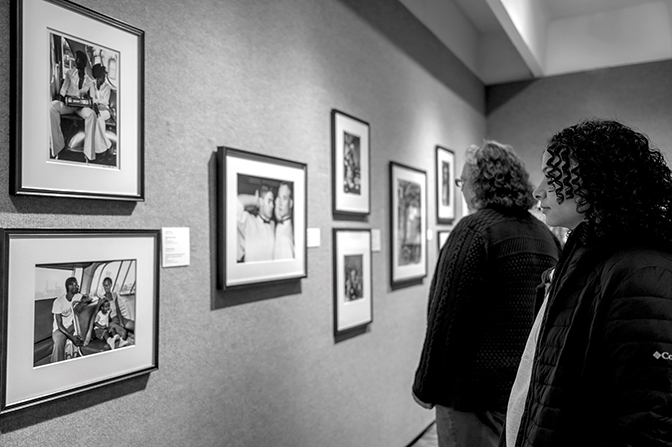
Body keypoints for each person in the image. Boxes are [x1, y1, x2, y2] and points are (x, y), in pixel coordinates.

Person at [504, 119, 672, 447]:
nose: (538, 191)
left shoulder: (641, 273)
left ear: (595, 182)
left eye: (552, 178)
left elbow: (648, 419)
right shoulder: (586, 256)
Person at [412, 140, 561, 447]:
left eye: (462, 181)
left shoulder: (474, 231)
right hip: (522, 393)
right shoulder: (544, 234)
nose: (461, 189)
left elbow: (446, 318)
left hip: (470, 398)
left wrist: (424, 386)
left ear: (480, 184)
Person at [49, 50, 109, 161]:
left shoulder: (89, 81)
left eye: (78, 59)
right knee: (52, 107)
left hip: (81, 107)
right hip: (68, 104)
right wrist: (61, 97)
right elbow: (63, 90)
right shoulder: (69, 74)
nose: (76, 61)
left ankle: (88, 154)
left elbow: (92, 98)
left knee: (92, 115)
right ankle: (58, 147)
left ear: (84, 63)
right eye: (75, 58)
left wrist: (94, 104)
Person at [51, 277, 92, 363]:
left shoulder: (77, 296)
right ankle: (56, 365)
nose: (78, 286)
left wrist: (81, 303)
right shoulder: (58, 302)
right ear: (70, 287)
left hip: (72, 325)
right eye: (76, 285)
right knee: (59, 340)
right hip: (60, 329)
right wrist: (71, 337)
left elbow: (90, 297)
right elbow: (59, 325)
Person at [237, 184, 276, 262]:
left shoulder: (273, 225)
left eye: (273, 202)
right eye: (269, 201)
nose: (272, 205)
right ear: (261, 201)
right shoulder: (248, 220)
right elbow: (234, 204)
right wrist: (255, 200)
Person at [101, 277, 134, 343]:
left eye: (108, 285)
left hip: (118, 317)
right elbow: (103, 314)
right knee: (123, 333)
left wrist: (121, 321)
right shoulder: (102, 298)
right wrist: (111, 321)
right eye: (105, 285)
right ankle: (128, 337)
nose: (106, 287)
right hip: (110, 321)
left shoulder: (114, 295)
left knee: (134, 326)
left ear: (111, 285)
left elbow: (118, 309)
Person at [273, 182, 294, 259]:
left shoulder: (286, 239)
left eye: (284, 198)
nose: (280, 203)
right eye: (279, 198)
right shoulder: (279, 225)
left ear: (291, 203)